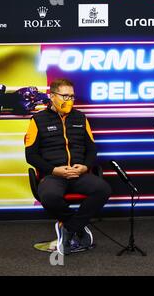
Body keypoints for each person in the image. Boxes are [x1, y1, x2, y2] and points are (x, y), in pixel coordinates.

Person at [25, 78, 111, 255]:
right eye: (65, 96)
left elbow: (92, 149)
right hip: (54, 174)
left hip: (79, 173)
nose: (69, 100)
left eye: (72, 96)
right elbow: (30, 155)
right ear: (52, 96)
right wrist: (54, 170)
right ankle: (78, 228)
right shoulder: (37, 120)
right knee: (48, 196)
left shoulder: (80, 117)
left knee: (103, 189)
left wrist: (85, 167)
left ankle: (68, 228)